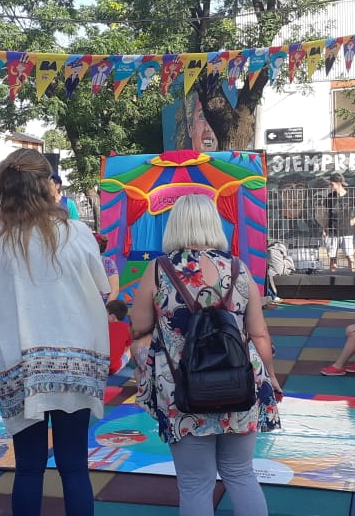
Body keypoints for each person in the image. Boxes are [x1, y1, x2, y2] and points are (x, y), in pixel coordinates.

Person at [0, 148, 110, 516]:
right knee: (75, 467)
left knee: (29, 468)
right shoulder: (75, 232)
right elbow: (104, 288)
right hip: (75, 360)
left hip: (19, 362)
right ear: (48, 185)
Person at [129, 194, 281, 516]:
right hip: (240, 382)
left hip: (184, 389)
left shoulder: (161, 269)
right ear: (214, 223)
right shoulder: (239, 269)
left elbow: (139, 327)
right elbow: (259, 334)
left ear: (175, 225)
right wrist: (270, 375)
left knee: (195, 483)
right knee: (240, 473)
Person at [324, 173, 355, 271]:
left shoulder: (350, 196)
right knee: (332, 257)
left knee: (349, 256)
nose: (330, 186)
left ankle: (353, 276)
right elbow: (327, 214)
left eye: (331, 184)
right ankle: (332, 277)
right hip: (332, 230)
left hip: (346, 230)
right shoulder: (330, 197)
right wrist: (325, 228)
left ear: (339, 184)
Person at [106, 299, 132, 375]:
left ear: (113, 317)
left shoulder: (103, 326)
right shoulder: (128, 328)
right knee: (130, 349)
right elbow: (128, 347)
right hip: (114, 369)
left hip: (98, 368)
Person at [96, 233, 121, 300]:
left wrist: (106, 309)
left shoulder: (107, 262)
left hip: (102, 303)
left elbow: (115, 290)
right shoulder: (82, 262)